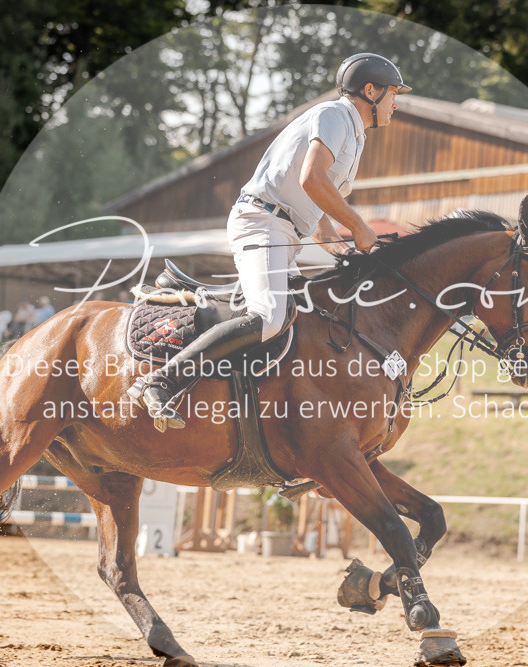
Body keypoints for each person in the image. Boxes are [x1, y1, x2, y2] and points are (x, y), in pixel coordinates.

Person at [130, 54, 409, 431]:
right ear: (370, 91)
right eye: (394, 93)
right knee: (269, 317)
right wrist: (359, 226)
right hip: (261, 222)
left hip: (285, 232)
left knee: (312, 315)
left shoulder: (353, 135)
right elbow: (313, 179)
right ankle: (161, 381)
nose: (397, 102)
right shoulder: (336, 115)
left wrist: (350, 254)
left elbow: (317, 215)